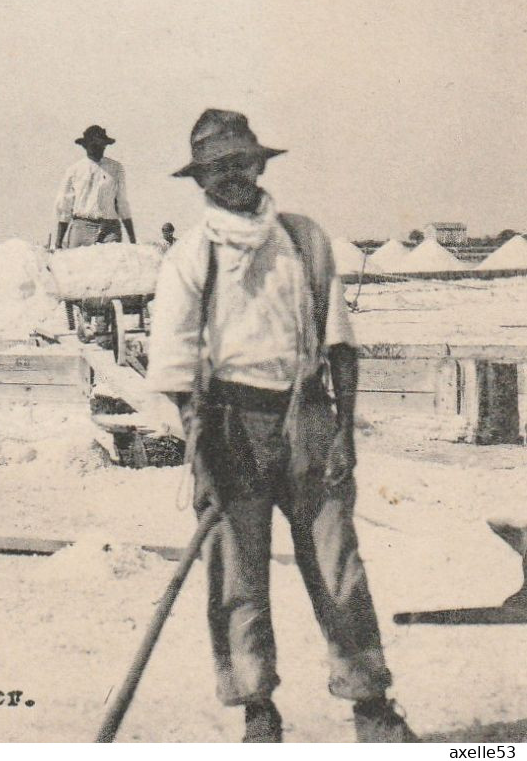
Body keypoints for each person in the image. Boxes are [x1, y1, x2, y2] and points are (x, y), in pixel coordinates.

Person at [145, 110, 416, 743]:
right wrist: (198, 445)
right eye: (217, 168)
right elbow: (177, 364)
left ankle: (371, 703)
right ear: (199, 180)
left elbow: (340, 343)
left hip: (308, 417)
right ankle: (257, 709)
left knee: (337, 564)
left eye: (241, 163)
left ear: (260, 165)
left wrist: (343, 431)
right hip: (229, 427)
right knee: (237, 575)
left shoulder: (304, 239)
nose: (232, 177)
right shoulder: (191, 255)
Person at [55, 124, 135, 248]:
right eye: (93, 144)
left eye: (100, 144)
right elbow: (65, 205)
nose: (97, 148)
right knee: (77, 265)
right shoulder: (74, 170)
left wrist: (132, 239)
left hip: (110, 230)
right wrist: (58, 243)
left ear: (105, 145)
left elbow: (122, 203)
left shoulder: (116, 168)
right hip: (82, 228)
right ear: (85, 146)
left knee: (111, 265)